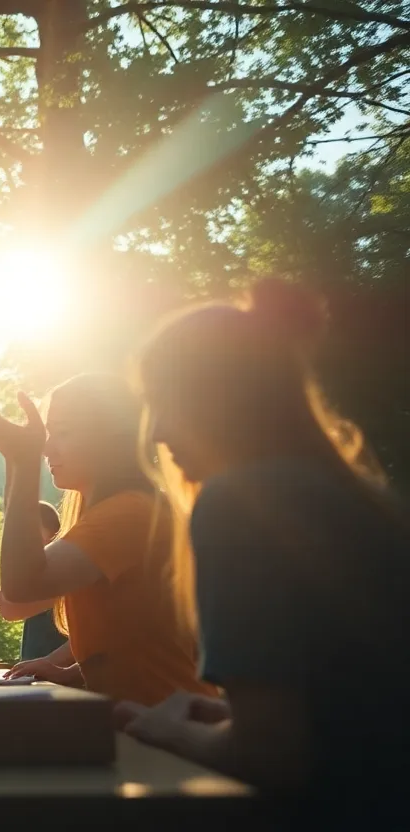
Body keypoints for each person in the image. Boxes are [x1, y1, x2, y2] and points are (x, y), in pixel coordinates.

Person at [115, 279, 410, 806]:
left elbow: (272, 756)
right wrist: (230, 715)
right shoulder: (365, 502)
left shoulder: (240, 505)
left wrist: (163, 731)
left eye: (168, 401)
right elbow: (360, 713)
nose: (156, 431)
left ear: (224, 395)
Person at [0, 374, 215, 705]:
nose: (46, 447)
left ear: (110, 439)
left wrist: (22, 461)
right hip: (146, 722)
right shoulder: (112, 512)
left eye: (64, 433)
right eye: (48, 433)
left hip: (170, 728)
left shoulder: (129, 514)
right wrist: (67, 670)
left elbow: (21, 585)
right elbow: (128, 634)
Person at [0, 501, 65, 661]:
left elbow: (9, 607)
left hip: (60, 671)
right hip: (33, 668)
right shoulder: (33, 574)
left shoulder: (63, 573)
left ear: (54, 535)